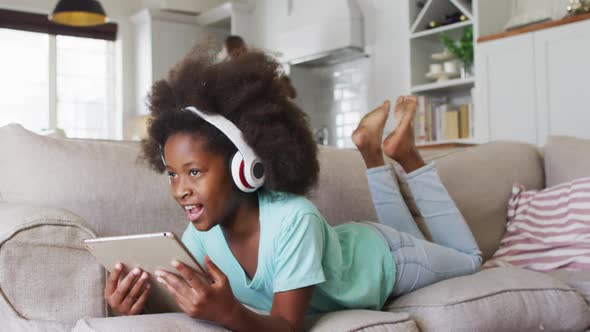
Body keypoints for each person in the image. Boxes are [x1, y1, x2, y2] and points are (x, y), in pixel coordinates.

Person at [102, 48, 482, 331]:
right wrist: (133, 306)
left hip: (389, 259)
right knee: (424, 238)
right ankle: (374, 154)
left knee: (470, 260)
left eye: (195, 171)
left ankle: (407, 157)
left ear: (244, 167)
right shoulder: (198, 238)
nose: (180, 190)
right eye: (171, 174)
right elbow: (189, 307)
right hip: (354, 246)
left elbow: (287, 325)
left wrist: (229, 313)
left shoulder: (292, 218)